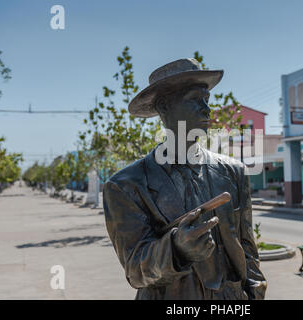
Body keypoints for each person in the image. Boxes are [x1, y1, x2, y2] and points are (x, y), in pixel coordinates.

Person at [103, 58, 266, 300]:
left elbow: (248, 250)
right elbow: (135, 271)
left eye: (207, 100)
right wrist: (176, 250)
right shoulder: (126, 185)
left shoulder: (234, 172)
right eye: (194, 99)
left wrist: (255, 296)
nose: (207, 109)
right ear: (164, 107)